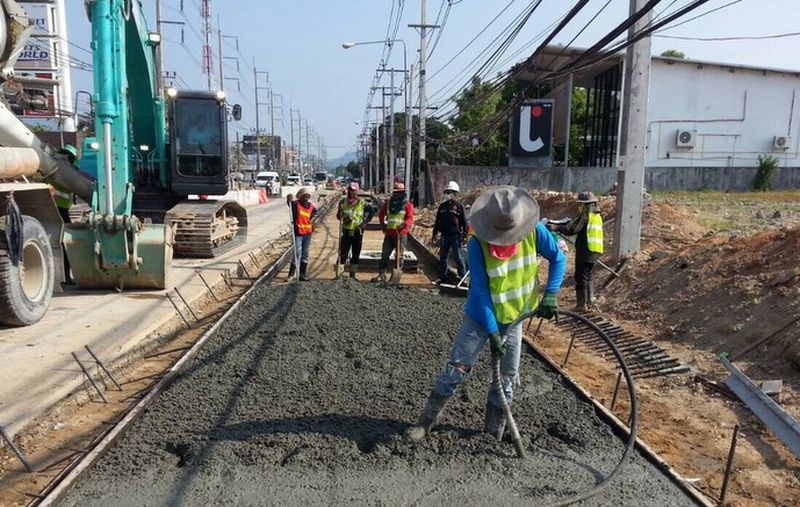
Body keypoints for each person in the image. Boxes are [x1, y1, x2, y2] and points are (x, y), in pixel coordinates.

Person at [406, 186, 566, 442]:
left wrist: (551, 293)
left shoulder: (534, 231)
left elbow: (559, 258)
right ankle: (425, 423)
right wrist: (491, 330)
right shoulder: (477, 242)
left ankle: (493, 432)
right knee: (456, 368)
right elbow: (479, 291)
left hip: (514, 320)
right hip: (480, 319)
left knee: (506, 379)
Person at [549, 191, 603, 312]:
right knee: (588, 275)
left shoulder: (585, 215)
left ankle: (581, 305)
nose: (579, 206)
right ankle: (590, 299)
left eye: (581, 204)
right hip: (595, 251)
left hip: (585, 251)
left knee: (580, 277)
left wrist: (556, 227)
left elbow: (573, 229)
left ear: (585, 205)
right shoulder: (597, 216)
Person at [372, 181, 413, 282]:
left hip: (401, 234)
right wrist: (383, 225)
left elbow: (410, 218)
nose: (397, 194)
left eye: (399, 192)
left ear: (403, 193)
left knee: (399, 256)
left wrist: (404, 225)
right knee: (385, 254)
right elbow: (381, 214)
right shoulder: (389, 203)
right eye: (396, 192)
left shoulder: (407, 205)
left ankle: (396, 275)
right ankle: (382, 275)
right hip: (389, 234)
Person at [336, 181, 375, 279]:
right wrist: (342, 217)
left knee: (356, 253)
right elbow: (338, 216)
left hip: (358, 232)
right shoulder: (342, 202)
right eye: (350, 190)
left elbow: (372, 211)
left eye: (353, 190)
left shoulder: (362, 203)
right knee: (343, 253)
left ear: (357, 191)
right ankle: (340, 274)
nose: (351, 192)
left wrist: (364, 223)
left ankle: (352, 275)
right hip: (346, 232)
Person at [432, 180, 468, 284]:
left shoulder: (459, 206)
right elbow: (438, 221)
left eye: (450, 192)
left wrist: (465, 235)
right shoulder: (442, 206)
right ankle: (442, 277)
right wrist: (434, 233)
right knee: (443, 257)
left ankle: (462, 278)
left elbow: (464, 222)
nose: (448, 194)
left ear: (455, 193)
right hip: (444, 235)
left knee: (459, 258)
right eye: (447, 192)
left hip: (455, 236)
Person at [288, 187, 317, 281]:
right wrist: (288, 200)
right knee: (297, 253)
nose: (306, 198)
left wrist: (311, 220)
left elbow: (315, 212)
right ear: (300, 196)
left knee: (305, 253)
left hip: (307, 233)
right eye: (305, 196)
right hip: (298, 233)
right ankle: (291, 275)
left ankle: (302, 274)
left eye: (308, 196)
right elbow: (290, 205)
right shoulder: (296, 204)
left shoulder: (311, 206)